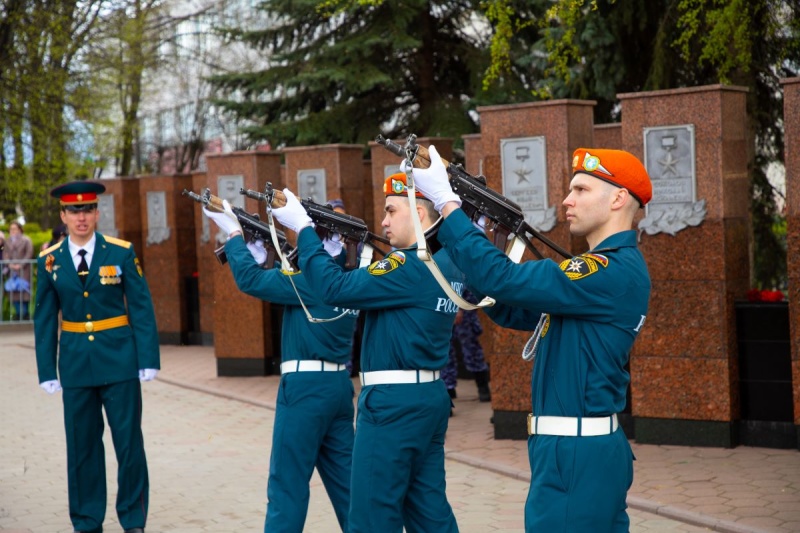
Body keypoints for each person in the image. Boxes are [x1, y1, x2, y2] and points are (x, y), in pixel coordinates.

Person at [408, 146, 652, 532]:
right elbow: (512, 307)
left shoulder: (607, 269)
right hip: (573, 450)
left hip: (575, 454)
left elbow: (506, 281)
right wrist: (477, 242)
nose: (567, 200)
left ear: (618, 198)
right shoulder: (602, 272)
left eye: (581, 190)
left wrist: (448, 206)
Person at [272, 172, 462, 532]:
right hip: (427, 397)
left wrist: (304, 229)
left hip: (392, 405)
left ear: (420, 214)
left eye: (391, 211)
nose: (384, 221)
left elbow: (332, 286)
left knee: (371, 517)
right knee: (428, 511)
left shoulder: (406, 265)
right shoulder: (448, 263)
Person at [202, 200, 357, 532]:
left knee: (287, 486)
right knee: (349, 489)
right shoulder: (349, 279)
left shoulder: (313, 282)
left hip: (303, 393)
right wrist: (264, 253)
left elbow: (250, 281)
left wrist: (233, 234)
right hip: (338, 389)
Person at [34, 180, 160, 533]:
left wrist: (147, 357)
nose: (81, 218)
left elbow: (141, 307)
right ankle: (87, 520)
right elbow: (44, 319)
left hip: (119, 361)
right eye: (74, 211)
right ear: (63, 215)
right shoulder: (49, 261)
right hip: (75, 365)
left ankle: (133, 519)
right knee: (82, 448)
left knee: (128, 444)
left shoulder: (120, 252)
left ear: (97, 212)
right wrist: (46, 368)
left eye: (87, 209)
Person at [441, 288, 491, 405]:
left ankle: (482, 386)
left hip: (465, 306)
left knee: (471, 348)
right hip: (442, 308)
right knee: (445, 350)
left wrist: (459, 307)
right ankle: (448, 390)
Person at [3, 220, 35, 320]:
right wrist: (9, 264)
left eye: (15, 229)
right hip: (12, 271)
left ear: (20, 229)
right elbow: (5, 254)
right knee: (13, 293)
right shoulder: (7, 241)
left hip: (24, 270)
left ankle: (25, 313)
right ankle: (18, 313)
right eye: (11, 229)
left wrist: (20, 264)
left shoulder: (26, 240)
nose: (13, 231)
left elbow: (29, 253)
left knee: (24, 292)